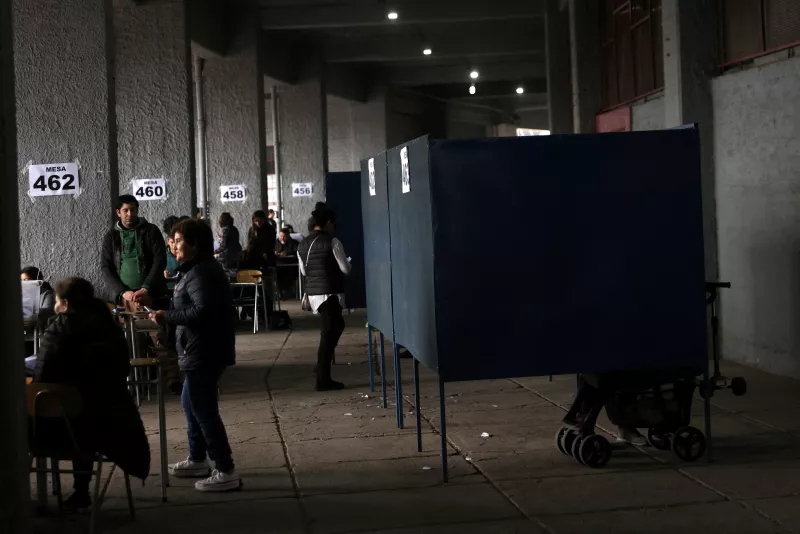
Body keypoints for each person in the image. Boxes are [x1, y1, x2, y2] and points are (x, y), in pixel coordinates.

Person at [32, 277, 150, 511]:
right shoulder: (108, 326)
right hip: (111, 425)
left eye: (56, 301)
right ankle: (80, 491)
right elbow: (122, 369)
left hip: (63, 429)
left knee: (34, 412)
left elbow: (42, 378)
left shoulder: (59, 328)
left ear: (65, 303)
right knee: (79, 411)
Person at [151, 219, 242, 492]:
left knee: (203, 409)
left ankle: (225, 469)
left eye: (179, 241)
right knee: (190, 403)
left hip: (205, 349)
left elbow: (202, 310)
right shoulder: (193, 271)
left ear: (195, 245)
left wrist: (167, 317)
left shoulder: (201, 273)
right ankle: (197, 458)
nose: (174, 246)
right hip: (198, 348)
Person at [297, 207, 351, 391]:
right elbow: (345, 269)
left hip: (314, 293)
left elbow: (304, 271)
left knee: (335, 327)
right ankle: (322, 378)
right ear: (328, 222)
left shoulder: (302, 244)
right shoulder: (333, 241)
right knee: (328, 334)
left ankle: (321, 367)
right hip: (330, 292)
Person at [100, 195, 167, 307]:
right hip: (124, 296)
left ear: (137, 210)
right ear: (118, 212)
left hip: (151, 293)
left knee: (152, 318)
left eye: (133, 210)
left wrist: (146, 287)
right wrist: (122, 291)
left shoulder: (151, 231)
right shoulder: (111, 236)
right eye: (125, 210)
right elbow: (106, 267)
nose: (130, 214)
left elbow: (160, 259)